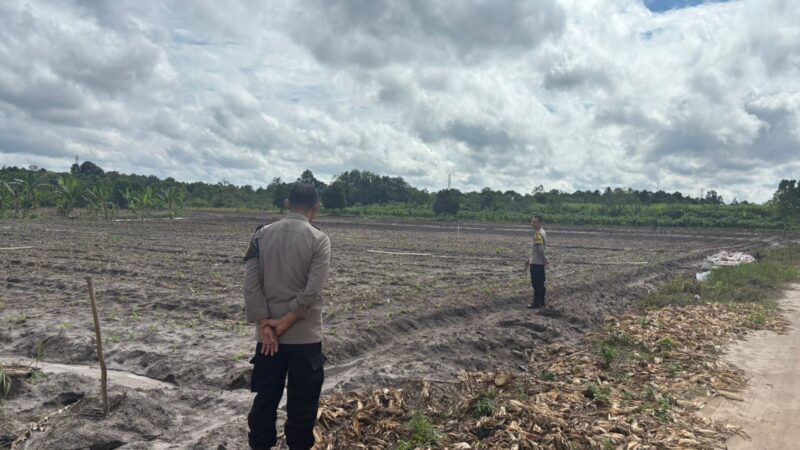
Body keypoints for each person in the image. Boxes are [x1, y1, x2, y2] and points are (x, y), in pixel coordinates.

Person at [242, 182, 332, 450]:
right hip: (305, 339)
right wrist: (286, 323)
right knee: (302, 406)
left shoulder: (261, 235)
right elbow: (312, 291)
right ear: (316, 208)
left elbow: (251, 285)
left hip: (268, 339)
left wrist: (266, 325)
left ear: (286, 204)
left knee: (265, 401)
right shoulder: (319, 240)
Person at [524, 215, 548, 309]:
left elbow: (540, 249)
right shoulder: (543, 232)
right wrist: (528, 259)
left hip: (536, 263)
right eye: (532, 221)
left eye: (534, 222)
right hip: (538, 262)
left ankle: (536, 303)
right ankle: (541, 302)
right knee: (541, 283)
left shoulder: (538, 234)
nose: (532, 223)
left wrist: (544, 259)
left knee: (536, 284)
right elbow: (536, 249)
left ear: (539, 223)